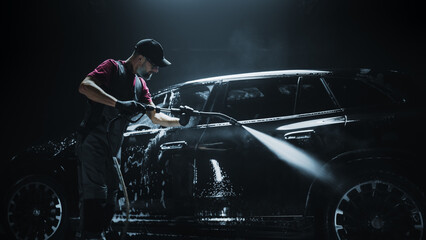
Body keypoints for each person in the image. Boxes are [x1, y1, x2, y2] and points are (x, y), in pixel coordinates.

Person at [75, 39, 191, 239]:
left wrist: (180, 121)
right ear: (140, 58)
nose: (156, 70)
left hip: (113, 148)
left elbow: (155, 116)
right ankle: (90, 236)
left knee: (111, 195)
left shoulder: (140, 85)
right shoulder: (112, 67)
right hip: (93, 140)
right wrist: (118, 103)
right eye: (153, 65)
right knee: (95, 194)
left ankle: (98, 234)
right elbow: (85, 86)